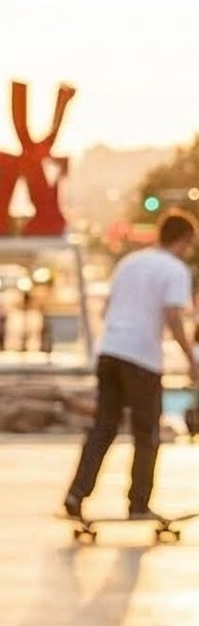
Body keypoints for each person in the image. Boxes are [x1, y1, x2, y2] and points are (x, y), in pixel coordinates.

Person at [63, 209, 198, 520]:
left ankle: (76, 494)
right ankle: (138, 503)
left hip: (109, 350)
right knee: (146, 431)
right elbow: (173, 316)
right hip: (142, 357)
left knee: (104, 426)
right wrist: (190, 360)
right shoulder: (175, 270)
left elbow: (108, 307)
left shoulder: (130, 262)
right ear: (184, 241)